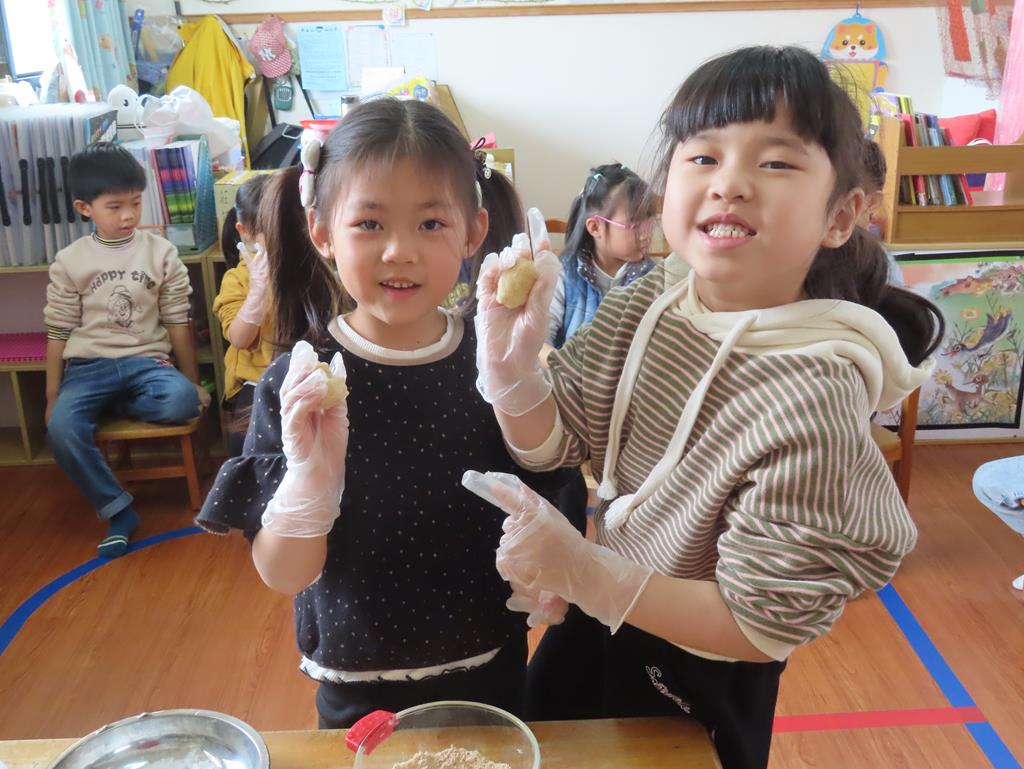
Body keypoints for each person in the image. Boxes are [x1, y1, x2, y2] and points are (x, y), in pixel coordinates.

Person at [467, 46, 945, 769]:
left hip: (701, 664)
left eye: (775, 162)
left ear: (842, 214)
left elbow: (756, 624)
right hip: (602, 613)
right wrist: (509, 372)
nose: (730, 183)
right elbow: (553, 442)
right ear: (667, 187)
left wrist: (582, 570)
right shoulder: (650, 303)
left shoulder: (813, 393)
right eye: (703, 157)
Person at [196, 98, 572, 728]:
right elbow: (284, 573)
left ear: (473, 231)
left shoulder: (494, 356)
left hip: (491, 661)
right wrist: (309, 484)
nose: (400, 251)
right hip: (357, 683)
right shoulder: (299, 383)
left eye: (431, 223)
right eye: (369, 223)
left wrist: (518, 380)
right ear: (321, 232)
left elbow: (546, 476)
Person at [44, 142, 209, 558]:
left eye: (136, 203)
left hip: (146, 363)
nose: (129, 215)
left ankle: (117, 403)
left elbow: (177, 319)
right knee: (61, 428)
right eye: (115, 207)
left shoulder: (161, 252)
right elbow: (58, 329)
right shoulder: (70, 260)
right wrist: (52, 396)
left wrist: (192, 382)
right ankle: (118, 510)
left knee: (183, 401)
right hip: (87, 368)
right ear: (85, 208)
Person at [545, 162, 656, 354]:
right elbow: (539, 344)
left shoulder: (652, 277)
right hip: (568, 372)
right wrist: (565, 367)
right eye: (634, 224)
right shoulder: (564, 274)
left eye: (649, 220)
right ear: (595, 227)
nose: (646, 232)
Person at [212, 173, 274, 456]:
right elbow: (240, 338)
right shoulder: (237, 279)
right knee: (248, 442)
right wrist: (259, 290)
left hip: (308, 373)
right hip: (257, 379)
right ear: (246, 231)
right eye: (273, 229)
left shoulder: (311, 268)